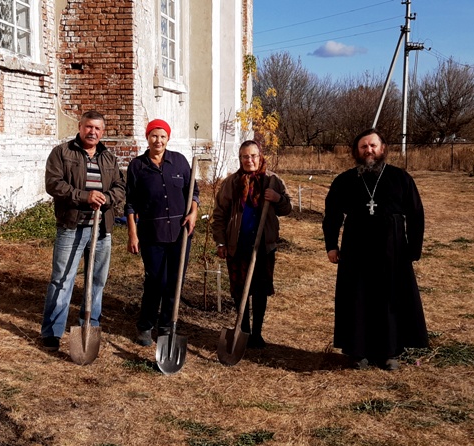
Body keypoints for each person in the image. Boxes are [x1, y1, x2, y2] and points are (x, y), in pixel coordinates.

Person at [322, 128, 428, 370]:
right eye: (363, 146)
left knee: (390, 300)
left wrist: (414, 249)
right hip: (355, 250)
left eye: (372, 146)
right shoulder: (345, 181)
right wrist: (331, 245)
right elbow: (332, 215)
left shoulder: (400, 178)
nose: (368, 150)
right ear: (356, 152)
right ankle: (358, 352)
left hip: (393, 251)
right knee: (358, 300)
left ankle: (390, 352)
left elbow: (416, 215)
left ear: (382, 149)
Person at [40, 110, 126, 352]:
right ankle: (52, 332)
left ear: (102, 131)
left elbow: (121, 185)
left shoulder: (108, 157)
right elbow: (53, 183)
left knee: (97, 281)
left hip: (101, 230)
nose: (93, 132)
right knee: (62, 279)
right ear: (80, 127)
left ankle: (90, 324)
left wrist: (108, 198)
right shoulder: (62, 153)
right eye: (89, 127)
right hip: (72, 226)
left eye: (98, 129)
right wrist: (84, 196)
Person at [211, 140, 292, 348]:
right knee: (239, 291)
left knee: (260, 289)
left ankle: (257, 333)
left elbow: (287, 208)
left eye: (253, 156)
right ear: (240, 159)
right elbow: (219, 214)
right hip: (237, 246)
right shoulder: (232, 183)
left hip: (264, 247)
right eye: (245, 157)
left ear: (260, 156)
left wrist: (277, 198)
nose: (250, 160)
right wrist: (220, 242)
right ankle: (243, 330)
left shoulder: (273, 181)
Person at [125, 119, 199, 346]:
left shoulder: (179, 162)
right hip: (151, 233)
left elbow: (193, 191)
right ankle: (146, 325)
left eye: (162, 136)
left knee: (175, 281)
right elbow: (130, 203)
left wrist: (194, 212)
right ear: (147, 138)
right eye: (154, 136)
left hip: (180, 233)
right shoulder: (137, 166)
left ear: (168, 138)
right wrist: (132, 233)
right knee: (155, 281)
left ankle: (166, 325)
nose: (158, 140)